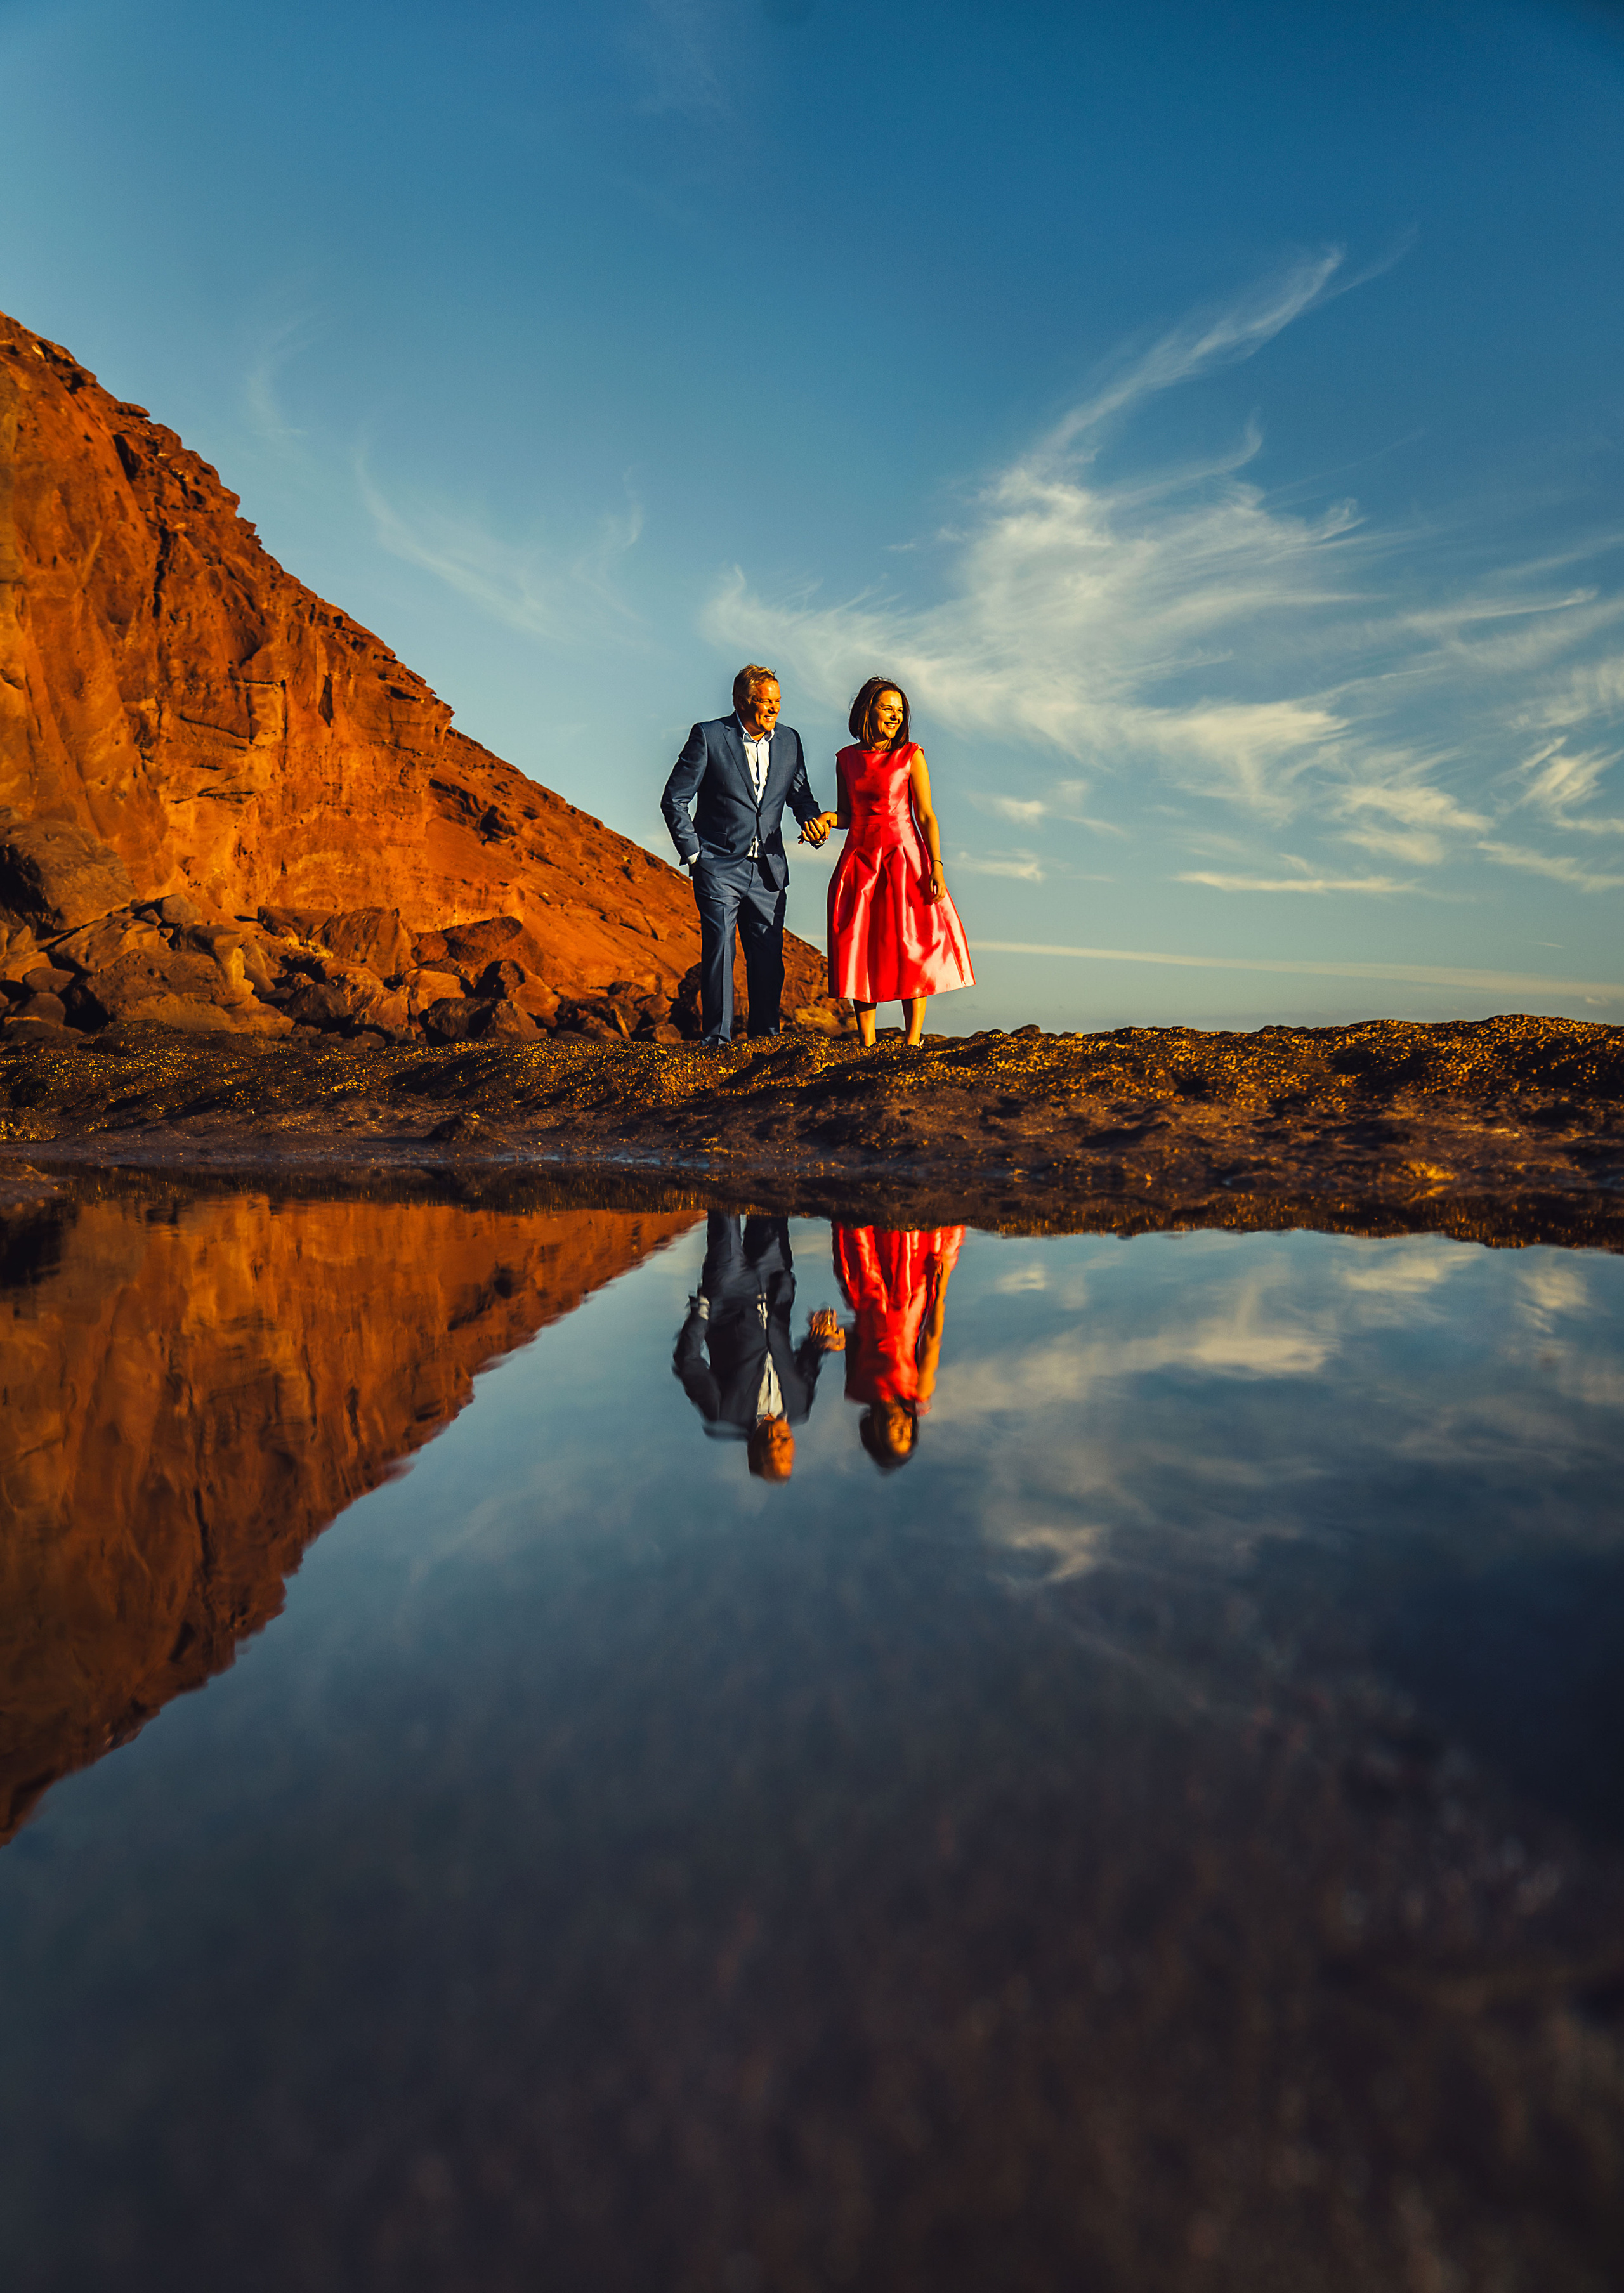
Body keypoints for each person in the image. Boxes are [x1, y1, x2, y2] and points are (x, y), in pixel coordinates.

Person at [802, 676, 974, 1048]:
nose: (895, 716)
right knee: (858, 943)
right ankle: (867, 1042)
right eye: (887, 708)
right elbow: (848, 814)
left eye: (900, 710)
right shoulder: (846, 759)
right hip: (859, 859)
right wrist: (828, 819)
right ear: (868, 710)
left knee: (911, 944)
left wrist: (936, 865)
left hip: (905, 857)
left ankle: (913, 1041)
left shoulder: (911, 754)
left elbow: (926, 815)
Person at [661, 665, 829, 1045]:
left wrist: (812, 822)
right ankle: (717, 1042)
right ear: (740, 701)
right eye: (764, 701)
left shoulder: (790, 740)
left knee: (769, 959)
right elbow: (675, 799)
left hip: (769, 870)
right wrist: (694, 855)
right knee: (720, 952)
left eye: (778, 702)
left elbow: (800, 796)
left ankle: (765, 1039)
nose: (773, 709)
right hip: (718, 865)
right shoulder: (708, 736)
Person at [673, 1213, 844, 1480]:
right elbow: (809, 1356)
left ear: (754, 1451)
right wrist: (825, 1339)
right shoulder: (801, 1405)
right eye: (786, 1452)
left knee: (724, 1206)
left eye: (771, 1451)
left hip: (728, 1294)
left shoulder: (722, 1413)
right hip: (776, 1284)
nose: (779, 1443)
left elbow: (688, 1363)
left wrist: (703, 1311)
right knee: (771, 1200)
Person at [832, 1222, 964, 1469]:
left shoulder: (857, 1388)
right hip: (909, 1299)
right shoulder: (918, 1392)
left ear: (875, 1433)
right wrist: (941, 1286)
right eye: (906, 1434)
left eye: (894, 1436)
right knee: (905, 1231)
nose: (900, 1428)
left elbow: (852, 1339)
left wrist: (830, 1334)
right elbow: (932, 1338)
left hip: (868, 1294)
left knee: (861, 1226)